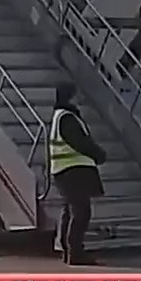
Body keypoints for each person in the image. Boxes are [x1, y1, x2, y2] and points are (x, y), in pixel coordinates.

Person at [47, 86, 107, 265]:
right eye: (76, 94)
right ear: (69, 97)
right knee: (81, 212)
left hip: (66, 170)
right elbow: (80, 142)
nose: (80, 97)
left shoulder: (61, 116)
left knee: (70, 211)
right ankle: (75, 252)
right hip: (73, 171)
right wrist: (98, 154)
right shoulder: (67, 118)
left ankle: (68, 250)